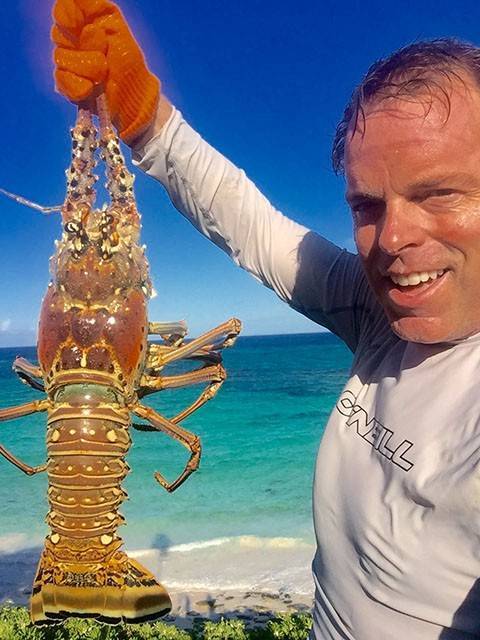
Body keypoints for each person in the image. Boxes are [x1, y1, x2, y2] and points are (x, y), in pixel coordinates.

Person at [51, 1, 480, 638]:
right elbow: (254, 228)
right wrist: (143, 118)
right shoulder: (377, 310)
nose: (392, 237)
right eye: (366, 204)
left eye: (438, 193)